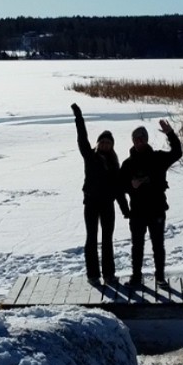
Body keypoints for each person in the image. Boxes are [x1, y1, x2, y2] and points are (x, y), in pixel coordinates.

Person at [71, 103, 130, 283]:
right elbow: (82, 138)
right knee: (91, 239)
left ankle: (109, 274)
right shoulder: (90, 156)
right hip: (91, 203)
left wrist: (125, 209)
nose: (105, 144)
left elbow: (119, 189)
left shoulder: (114, 163)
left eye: (108, 143)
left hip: (107, 205)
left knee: (107, 240)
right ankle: (93, 275)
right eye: (102, 142)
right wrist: (79, 117)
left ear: (112, 146)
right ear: (98, 143)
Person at [120, 119, 182, 287]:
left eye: (142, 138)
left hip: (156, 209)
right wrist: (131, 186)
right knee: (137, 246)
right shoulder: (128, 164)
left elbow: (177, 153)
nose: (139, 141)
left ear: (146, 139)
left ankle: (160, 278)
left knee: (158, 245)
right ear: (133, 141)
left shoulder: (158, 158)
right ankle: (136, 278)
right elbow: (119, 186)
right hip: (137, 211)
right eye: (136, 138)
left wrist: (170, 134)